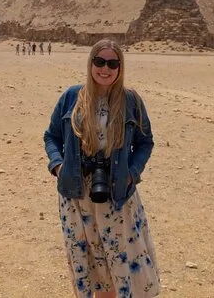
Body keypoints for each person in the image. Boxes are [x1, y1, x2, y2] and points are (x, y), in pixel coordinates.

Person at [43, 39, 160, 298]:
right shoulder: (72, 97)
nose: (105, 69)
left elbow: (145, 142)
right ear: (90, 64)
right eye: (99, 62)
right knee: (86, 261)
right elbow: (51, 136)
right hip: (76, 196)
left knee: (117, 262)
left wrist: (131, 173)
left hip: (116, 195)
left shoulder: (131, 101)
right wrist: (58, 166)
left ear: (120, 68)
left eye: (112, 64)